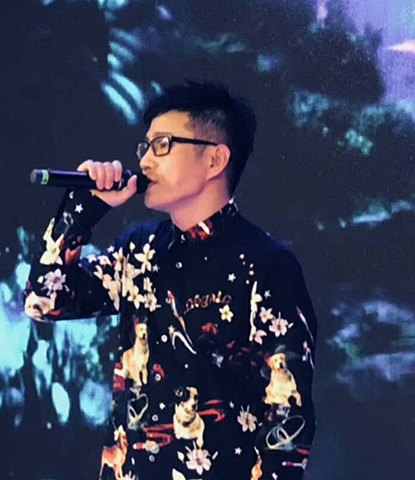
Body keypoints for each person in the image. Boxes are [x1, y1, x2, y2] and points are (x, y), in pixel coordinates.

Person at [23, 81, 317, 480]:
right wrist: (82, 208)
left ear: (215, 159)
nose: (145, 162)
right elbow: (43, 301)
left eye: (162, 145)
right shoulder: (139, 249)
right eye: (144, 147)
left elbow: (287, 417)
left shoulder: (266, 264)